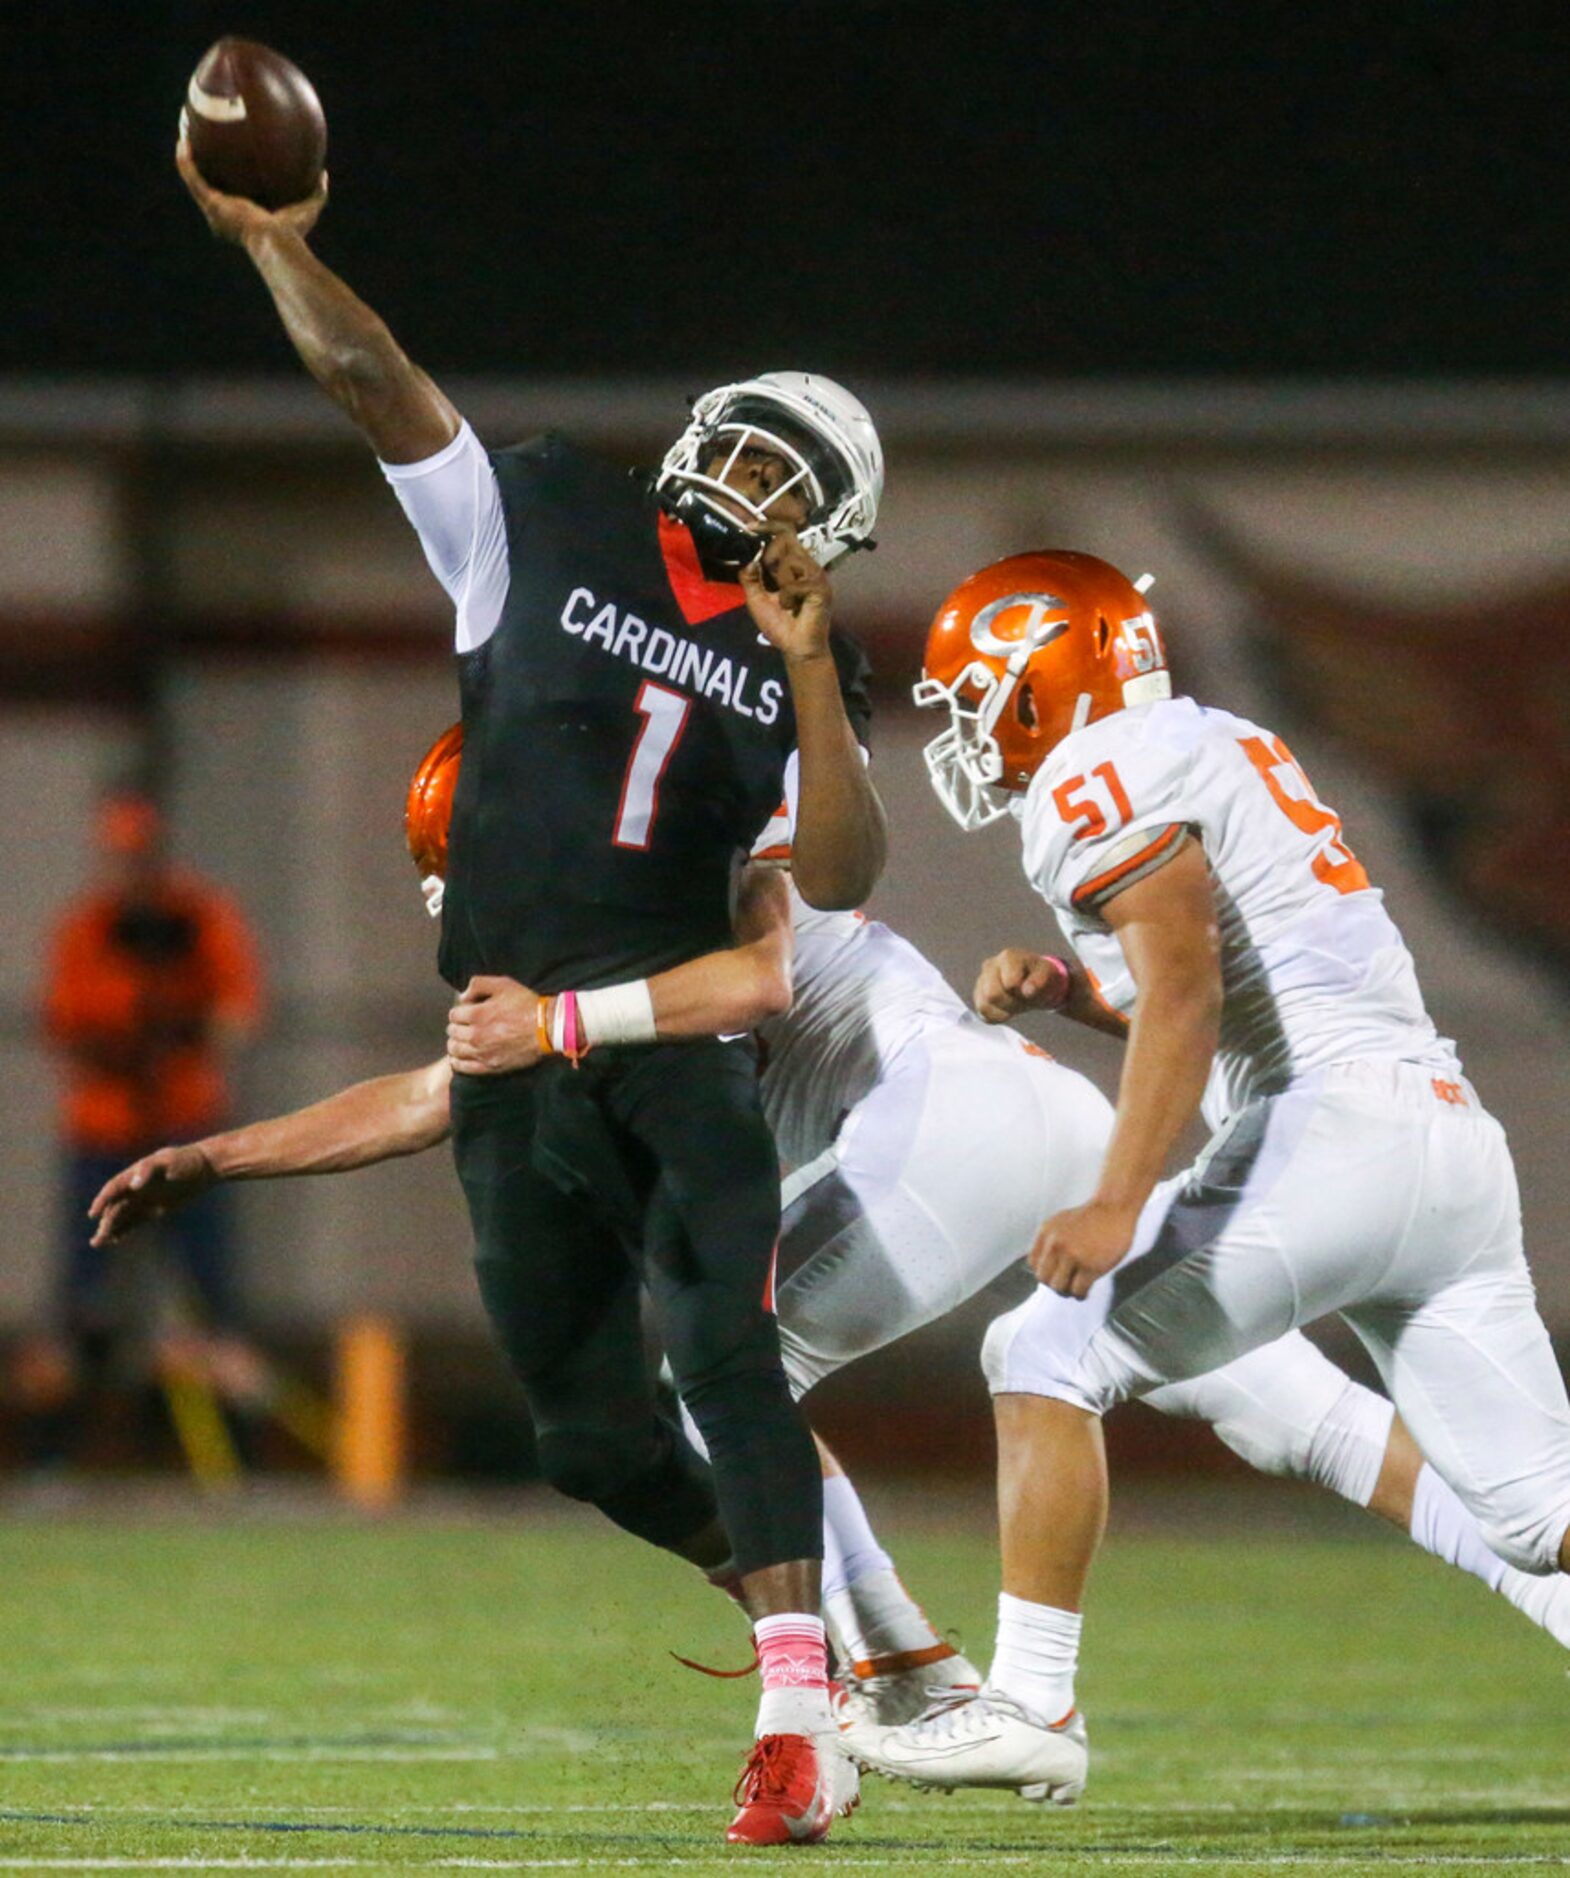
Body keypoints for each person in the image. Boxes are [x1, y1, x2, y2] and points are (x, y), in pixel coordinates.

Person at [93, 732, 1570, 1749]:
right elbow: (436, 1088)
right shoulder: (632, 865)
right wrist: (224, 1152)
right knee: (1292, 1409)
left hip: (943, 1125)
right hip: (1017, 1118)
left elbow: (743, 978)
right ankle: (1544, 1580)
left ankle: (905, 1671)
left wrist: (562, 1019)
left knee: (722, 1364)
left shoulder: (655, 881)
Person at [176, 132, 886, 1844]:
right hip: (505, 1047)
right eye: (758, 446)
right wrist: (278, 242)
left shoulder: (804, 661)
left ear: (835, 530)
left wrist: (802, 665)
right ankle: (801, 1633)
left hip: (666, 1046)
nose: (761, 483)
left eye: (801, 474)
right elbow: (377, 382)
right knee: (586, 1433)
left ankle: (804, 1709)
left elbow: (845, 879)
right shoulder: (547, 507)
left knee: (726, 1347)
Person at [845, 549, 1570, 1804]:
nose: (970, 734)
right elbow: (1227, 997)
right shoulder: (1216, 742)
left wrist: (1117, 1200)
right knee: (1535, 1520)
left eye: (975, 699)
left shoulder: (1093, 771)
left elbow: (1188, 992)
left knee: (1041, 1353)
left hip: (1336, 1134)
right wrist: (1077, 995)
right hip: (1440, 1143)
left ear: (1039, 686)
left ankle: (1029, 1701)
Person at [26, 786, 264, 1466]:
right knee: (81, 1308)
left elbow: (236, 1015)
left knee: (213, 1309)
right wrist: (131, 1039)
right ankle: (53, 1465)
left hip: (184, 1133)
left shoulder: (202, 918)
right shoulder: (86, 929)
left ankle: (240, 1469)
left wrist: (183, 1032)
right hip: (102, 1134)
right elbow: (68, 1025)